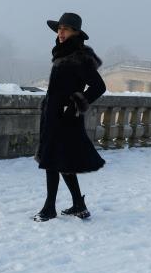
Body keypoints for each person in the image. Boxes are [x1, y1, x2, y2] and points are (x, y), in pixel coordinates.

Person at [34, 12, 106, 222]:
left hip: (64, 117)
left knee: (51, 160)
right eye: (59, 28)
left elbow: (99, 86)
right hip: (54, 114)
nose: (61, 32)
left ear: (75, 33)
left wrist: (74, 104)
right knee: (60, 159)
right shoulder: (63, 54)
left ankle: (49, 208)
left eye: (65, 29)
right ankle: (78, 204)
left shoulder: (79, 57)